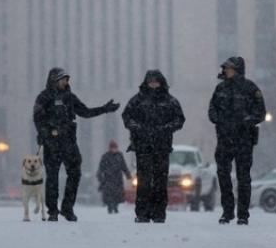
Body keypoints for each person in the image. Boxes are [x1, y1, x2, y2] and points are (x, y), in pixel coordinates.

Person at [33, 67, 120, 222]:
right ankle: (52, 210)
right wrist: (45, 133)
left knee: (75, 174)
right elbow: (38, 119)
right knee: (52, 177)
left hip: (69, 142)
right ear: (54, 80)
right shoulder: (44, 97)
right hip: (52, 143)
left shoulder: (70, 97)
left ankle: (67, 208)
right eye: (63, 79)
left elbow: (85, 112)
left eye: (67, 79)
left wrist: (105, 109)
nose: (66, 82)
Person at [208, 57, 266, 225]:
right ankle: (227, 211)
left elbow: (261, 112)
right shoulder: (220, 89)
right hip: (225, 139)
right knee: (223, 175)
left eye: (230, 68)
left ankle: (243, 214)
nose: (226, 70)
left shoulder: (250, 88)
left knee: (243, 178)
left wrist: (246, 122)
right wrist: (218, 120)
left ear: (238, 69)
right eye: (226, 68)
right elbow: (212, 109)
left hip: (244, 140)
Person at [122, 70, 185, 223]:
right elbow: (127, 117)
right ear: (146, 83)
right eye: (151, 81)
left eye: (156, 81)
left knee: (160, 180)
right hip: (142, 146)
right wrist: (138, 128)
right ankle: (142, 213)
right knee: (143, 180)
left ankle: (159, 213)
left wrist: (166, 129)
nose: (153, 84)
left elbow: (180, 119)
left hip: (162, 146)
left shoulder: (170, 101)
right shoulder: (137, 100)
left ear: (161, 82)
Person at [96, 140, 132, 214]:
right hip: (108, 178)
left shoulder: (119, 155)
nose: (114, 149)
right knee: (109, 194)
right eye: (113, 148)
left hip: (118, 178)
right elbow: (101, 167)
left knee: (117, 194)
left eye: (115, 148)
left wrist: (128, 174)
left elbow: (123, 166)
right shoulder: (105, 156)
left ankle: (115, 206)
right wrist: (100, 176)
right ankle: (110, 206)